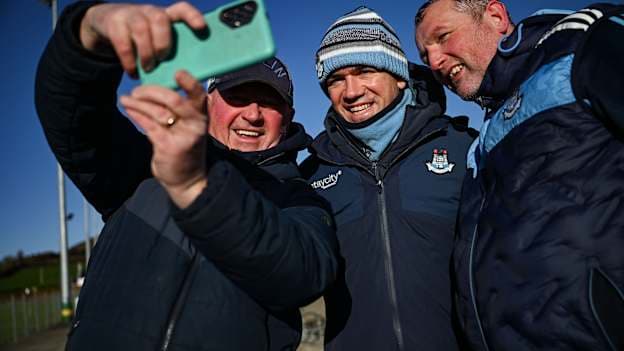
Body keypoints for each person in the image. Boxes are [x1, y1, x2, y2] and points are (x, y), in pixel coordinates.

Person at [35, 2, 338, 350]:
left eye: (269, 103)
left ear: (288, 117)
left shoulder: (301, 197)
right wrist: (88, 31)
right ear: (209, 103)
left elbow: (302, 274)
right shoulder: (145, 166)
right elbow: (71, 116)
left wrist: (195, 187)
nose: (253, 114)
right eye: (237, 96)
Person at [415, 1, 624, 350]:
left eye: (444, 36)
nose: (435, 62)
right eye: (425, 56)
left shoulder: (583, 42)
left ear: (495, 16)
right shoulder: (483, 140)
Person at [300, 6, 477, 351]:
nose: (351, 92)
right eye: (335, 79)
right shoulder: (312, 174)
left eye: (364, 71)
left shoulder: (464, 151)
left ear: (398, 75)